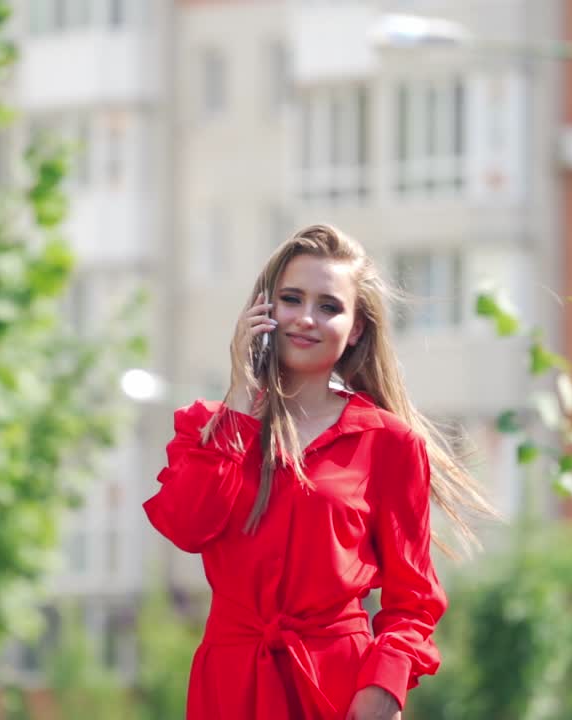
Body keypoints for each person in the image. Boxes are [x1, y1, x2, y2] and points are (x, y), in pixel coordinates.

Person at [143, 224, 497, 720]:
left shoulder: (389, 443)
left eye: (329, 306)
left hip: (338, 687)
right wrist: (240, 398)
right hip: (231, 683)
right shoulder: (209, 429)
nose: (306, 318)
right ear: (263, 309)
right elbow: (187, 526)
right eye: (291, 299)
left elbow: (413, 599)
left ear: (356, 329)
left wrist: (385, 687)